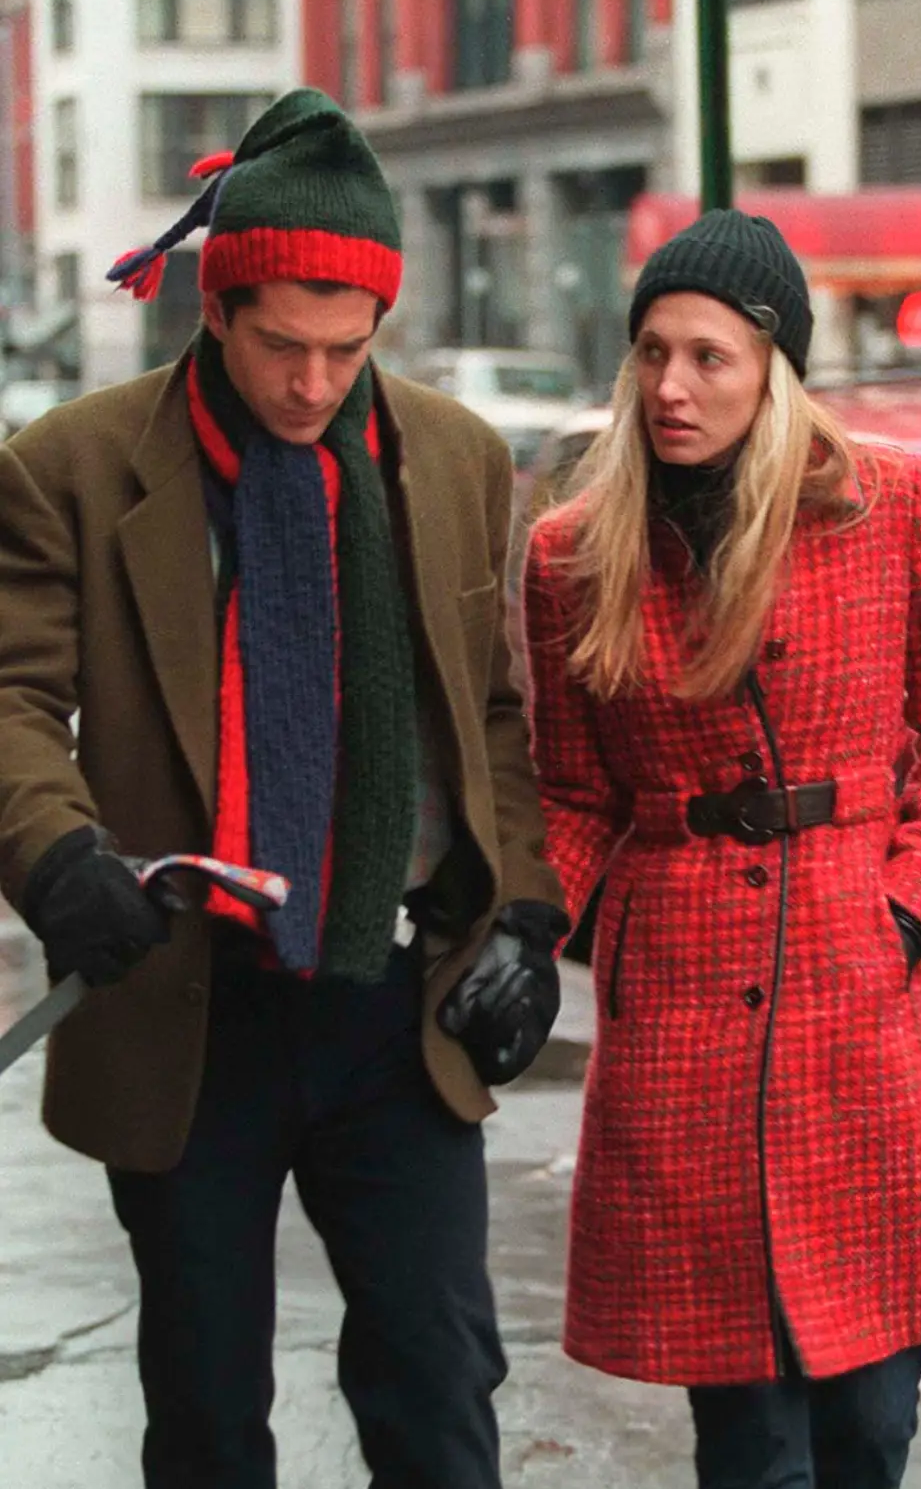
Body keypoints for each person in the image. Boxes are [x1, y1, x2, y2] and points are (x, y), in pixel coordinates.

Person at [0, 90, 569, 1487]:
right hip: (190, 1005)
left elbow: (491, 715)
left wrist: (525, 919)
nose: (311, 384)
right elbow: (8, 701)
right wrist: (61, 856)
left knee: (441, 1395)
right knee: (205, 1413)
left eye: (344, 348)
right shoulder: (69, 466)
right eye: (278, 347)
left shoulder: (455, 456)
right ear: (217, 304)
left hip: (397, 1007)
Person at [521, 208, 921, 1488]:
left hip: (863, 985)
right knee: (747, 1444)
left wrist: (911, 902)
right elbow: (571, 792)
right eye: (651, 353)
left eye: (709, 356)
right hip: (681, 1004)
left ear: (772, 367)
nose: (671, 386)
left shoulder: (888, 500)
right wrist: (527, 935)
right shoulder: (574, 552)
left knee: (870, 1425)